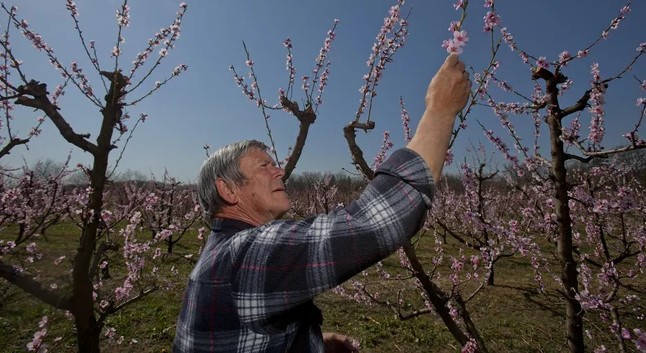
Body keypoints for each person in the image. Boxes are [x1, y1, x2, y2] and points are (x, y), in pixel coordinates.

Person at [173, 54, 471, 352]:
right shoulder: (243, 256)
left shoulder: (220, 256)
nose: (279, 171)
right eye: (264, 166)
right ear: (228, 190)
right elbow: (376, 222)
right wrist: (441, 110)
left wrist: (313, 343)